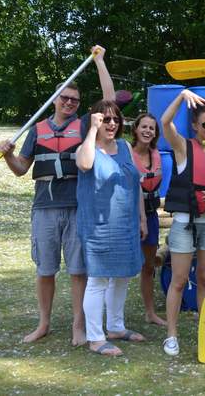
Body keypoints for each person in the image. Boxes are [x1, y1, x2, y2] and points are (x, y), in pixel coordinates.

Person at [0, 45, 114, 345]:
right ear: (55, 100)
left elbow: (109, 99)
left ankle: (79, 325)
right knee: (45, 269)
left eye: (75, 100)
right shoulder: (37, 130)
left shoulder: (86, 125)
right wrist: (7, 155)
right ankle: (44, 323)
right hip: (45, 208)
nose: (70, 103)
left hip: (77, 207)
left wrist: (99, 62)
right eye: (65, 98)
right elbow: (22, 168)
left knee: (78, 271)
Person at [160, 90, 205, 356]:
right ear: (195, 126)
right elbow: (165, 122)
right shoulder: (182, 147)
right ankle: (171, 335)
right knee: (179, 280)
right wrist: (181, 96)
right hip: (185, 223)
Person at [76, 100, 147, 356]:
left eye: (115, 119)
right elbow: (84, 165)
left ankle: (116, 327)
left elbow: (134, 183)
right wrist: (92, 131)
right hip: (99, 226)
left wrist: (141, 218)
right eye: (105, 119)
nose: (112, 123)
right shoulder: (88, 148)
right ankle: (95, 338)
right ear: (95, 120)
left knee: (123, 276)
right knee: (98, 280)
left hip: (126, 223)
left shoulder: (126, 147)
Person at [131, 113, 168, 326]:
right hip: (129, 217)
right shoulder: (126, 153)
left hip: (151, 215)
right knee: (124, 266)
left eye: (152, 128)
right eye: (143, 126)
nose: (147, 131)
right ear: (136, 129)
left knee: (148, 266)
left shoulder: (156, 154)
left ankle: (150, 312)